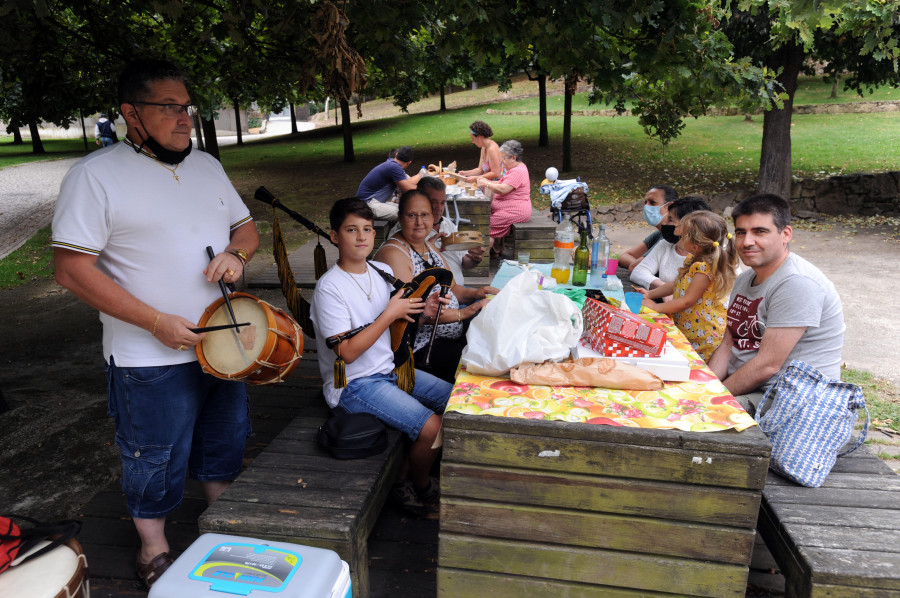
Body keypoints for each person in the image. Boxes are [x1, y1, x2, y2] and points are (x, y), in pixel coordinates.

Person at [51, 59, 259, 588]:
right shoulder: (94, 177)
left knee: (223, 439)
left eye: (186, 105)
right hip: (148, 355)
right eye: (169, 107)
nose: (184, 117)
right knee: (155, 455)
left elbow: (246, 229)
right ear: (131, 114)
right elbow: (71, 270)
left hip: (222, 343)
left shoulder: (207, 166)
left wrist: (236, 256)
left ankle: (222, 527)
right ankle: (153, 549)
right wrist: (155, 321)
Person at [310, 197, 451, 517]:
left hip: (391, 369)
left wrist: (422, 310)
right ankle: (418, 482)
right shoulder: (329, 288)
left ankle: (407, 474)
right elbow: (345, 353)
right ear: (335, 236)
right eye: (351, 230)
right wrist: (389, 315)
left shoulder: (381, 271)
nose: (361, 237)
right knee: (432, 428)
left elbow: (402, 318)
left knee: (455, 399)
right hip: (355, 384)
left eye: (368, 229)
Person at [708, 194, 845, 395]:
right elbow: (729, 344)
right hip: (748, 386)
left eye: (759, 232)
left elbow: (767, 366)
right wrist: (703, 389)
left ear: (786, 234)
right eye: (740, 232)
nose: (747, 242)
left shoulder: (797, 283)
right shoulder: (745, 279)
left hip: (787, 398)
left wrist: (711, 400)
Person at [373, 189, 497, 382]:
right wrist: (466, 312)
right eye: (412, 215)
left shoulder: (427, 245)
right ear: (400, 217)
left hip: (448, 334)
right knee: (481, 365)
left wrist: (476, 293)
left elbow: (454, 289)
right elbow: (411, 313)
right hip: (421, 348)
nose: (419, 222)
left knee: (495, 335)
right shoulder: (394, 253)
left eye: (424, 215)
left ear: (433, 217)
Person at [637, 212, 738, 362]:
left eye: (683, 236)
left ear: (695, 246)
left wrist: (655, 307)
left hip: (703, 335)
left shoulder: (704, 268)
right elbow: (676, 283)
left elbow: (687, 301)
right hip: (690, 328)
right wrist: (650, 294)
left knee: (694, 366)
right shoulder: (693, 260)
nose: (679, 238)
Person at [386, 176, 485, 285]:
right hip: (434, 297)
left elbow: (464, 262)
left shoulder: (448, 224)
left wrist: (475, 259)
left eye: (442, 202)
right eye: (433, 202)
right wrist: (428, 250)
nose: (439, 208)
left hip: (458, 291)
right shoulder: (408, 230)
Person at [631, 196, 711, 291]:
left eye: (671, 220)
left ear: (688, 225)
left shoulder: (713, 255)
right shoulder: (666, 245)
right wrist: (662, 288)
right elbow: (638, 271)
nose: (664, 223)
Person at [477, 140, 532, 258]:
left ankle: (479, 260)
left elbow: (502, 189)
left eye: (504, 158)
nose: (502, 161)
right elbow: (501, 183)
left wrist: (486, 184)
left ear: (513, 158)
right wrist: (487, 181)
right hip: (507, 211)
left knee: (484, 225)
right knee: (484, 226)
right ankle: (486, 255)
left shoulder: (518, 171)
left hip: (515, 212)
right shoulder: (515, 169)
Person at [356, 145, 423, 222]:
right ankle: (396, 234)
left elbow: (409, 182)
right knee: (406, 214)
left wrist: (424, 174)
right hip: (367, 205)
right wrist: (426, 189)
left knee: (407, 208)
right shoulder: (394, 167)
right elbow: (408, 189)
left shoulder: (392, 164)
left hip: (369, 203)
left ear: (397, 154)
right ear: (409, 163)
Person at [619, 185, 678, 273]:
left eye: (652, 202)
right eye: (645, 202)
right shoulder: (659, 234)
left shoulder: (672, 236)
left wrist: (640, 266)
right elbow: (624, 256)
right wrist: (642, 266)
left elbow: (634, 266)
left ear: (669, 206)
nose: (647, 207)